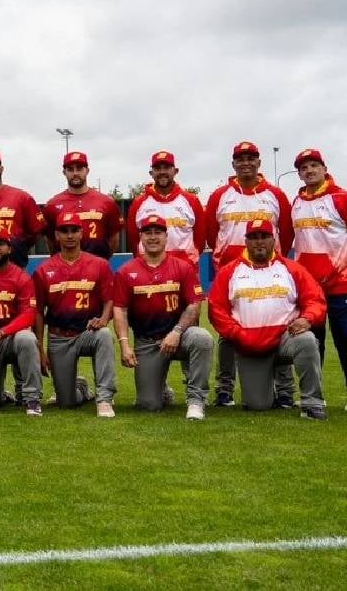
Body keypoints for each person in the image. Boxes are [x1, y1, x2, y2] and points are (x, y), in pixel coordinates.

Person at [208, 219, 327, 420]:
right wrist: (238, 334)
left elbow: (316, 300)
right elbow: (216, 309)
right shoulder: (230, 271)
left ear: (274, 239)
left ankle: (312, 403)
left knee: (307, 340)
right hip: (249, 343)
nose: (259, 242)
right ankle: (274, 389)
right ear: (245, 241)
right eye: (253, 237)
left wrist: (307, 319)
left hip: (285, 340)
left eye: (264, 236)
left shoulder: (292, 268)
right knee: (258, 405)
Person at [205, 141, 295, 408]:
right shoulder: (220, 195)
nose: (246, 162)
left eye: (251, 158)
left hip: (269, 270)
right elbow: (211, 233)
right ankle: (225, 389)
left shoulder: (275, 195)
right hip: (230, 275)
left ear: (259, 162)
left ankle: (285, 391)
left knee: (278, 323)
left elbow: (286, 233)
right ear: (233, 164)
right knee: (227, 332)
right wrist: (224, 266)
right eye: (240, 159)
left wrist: (275, 261)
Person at [112, 216, 213, 420]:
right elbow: (120, 309)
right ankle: (161, 389)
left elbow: (194, 304)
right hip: (148, 341)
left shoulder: (183, 267)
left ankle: (196, 400)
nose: (153, 237)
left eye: (158, 232)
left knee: (202, 338)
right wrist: (124, 344)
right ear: (140, 237)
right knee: (148, 405)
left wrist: (176, 332)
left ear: (166, 237)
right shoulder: (126, 271)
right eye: (148, 233)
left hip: (180, 336)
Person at [33, 212, 116, 416]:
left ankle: (104, 398)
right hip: (59, 337)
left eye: (74, 230)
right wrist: (40, 350)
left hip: (88, 331)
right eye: (64, 231)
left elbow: (110, 300)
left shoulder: (99, 265)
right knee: (66, 403)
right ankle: (80, 388)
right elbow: (38, 312)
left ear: (81, 233)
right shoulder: (44, 270)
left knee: (104, 335)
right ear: (56, 236)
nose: (69, 235)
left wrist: (104, 319)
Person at [0, 226, 44, 416]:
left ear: (9, 249)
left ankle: (32, 398)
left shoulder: (21, 276)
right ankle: (0, 393)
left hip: (11, 338)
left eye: (1, 244)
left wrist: (2, 333)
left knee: (27, 339)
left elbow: (29, 314)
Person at [289, 148, 347, 379]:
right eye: (304, 168)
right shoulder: (297, 202)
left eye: (314, 165)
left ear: (324, 169)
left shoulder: (340, 198)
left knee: (345, 339)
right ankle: (314, 396)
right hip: (309, 289)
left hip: (341, 285)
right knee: (311, 344)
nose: (309, 170)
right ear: (300, 175)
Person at [126, 151, 206, 265]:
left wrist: (187, 260)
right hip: (149, 268)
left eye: (167, 168)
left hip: (185, 268)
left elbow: (200, 240)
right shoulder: (139, 203)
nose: (162, 172)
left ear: (175, 171)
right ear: (151, 173)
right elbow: (134, 240)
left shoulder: (191, 200)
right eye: (158, 168)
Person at [43, 151, 123, 258]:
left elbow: (114, 239)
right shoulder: (52, 205)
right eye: (70, 169)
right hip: (65, 269)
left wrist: (102, 262)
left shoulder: (106, 202)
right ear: (64, 172)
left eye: (79, 168)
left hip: (97, 268)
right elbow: (50, 240)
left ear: (87, 171)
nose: (75, 173)